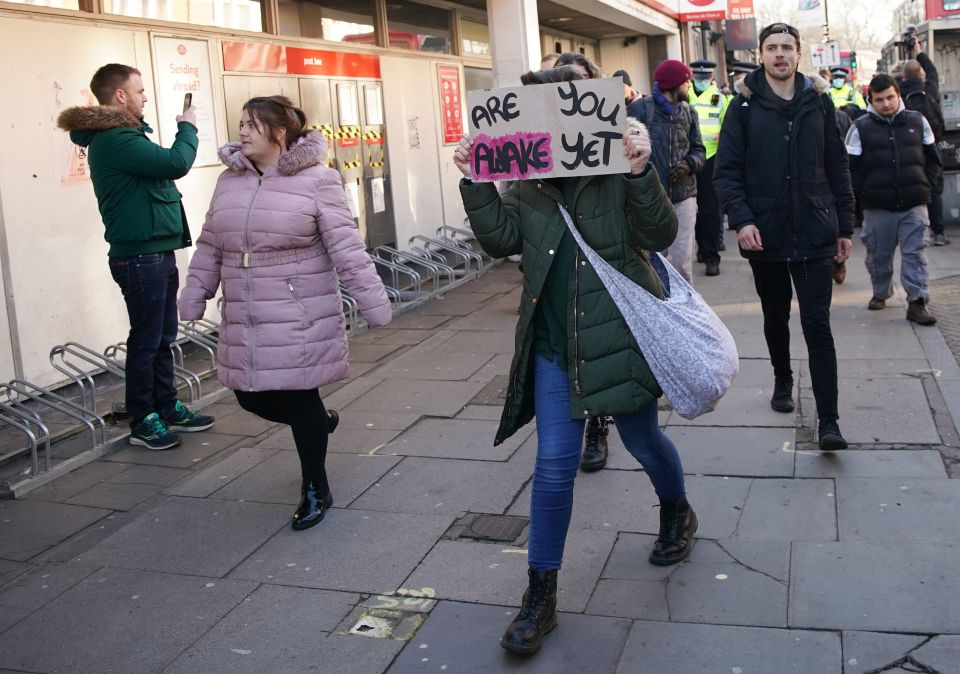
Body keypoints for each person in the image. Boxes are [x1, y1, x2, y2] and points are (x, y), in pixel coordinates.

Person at [454, 63, 695, 657]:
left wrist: (640, 172)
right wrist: (474, 182)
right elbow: (503, 240)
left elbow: (660, 233)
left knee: (643, 443)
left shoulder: (616, 162)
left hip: (618, 338)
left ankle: (677, 511)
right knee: (555, 464)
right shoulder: (526, 180)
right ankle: (541, 593)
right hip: (554, 344)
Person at [178, 96, 391, 530]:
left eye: (252, 125)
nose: (242, 132)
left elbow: (346, 247)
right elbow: (211, 244)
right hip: (246, 310)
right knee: (247, 394)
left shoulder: (318, 180)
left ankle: (315, 486)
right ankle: (318, 421)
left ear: (279, 133)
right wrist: (195, 293)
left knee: (297, 394)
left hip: (300, 309)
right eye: (240, 123)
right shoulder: (229, 181)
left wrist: (373, 302)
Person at [57, 63, 214, 451]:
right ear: (120, 96)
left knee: (162, 337)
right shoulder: (116, 139)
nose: (145, 97)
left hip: (155, 251)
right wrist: (187, 125)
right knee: (147, 340)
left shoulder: (125, 136)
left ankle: (166, 406)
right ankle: (143, 419)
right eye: (140, 91)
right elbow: (175, 163)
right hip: (139, 257)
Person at [714, 23, 855, 452]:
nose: (779, 55)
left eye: (787, 48)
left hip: (814, 230)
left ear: (798, 55)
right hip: (767, 235)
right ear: (760, 55)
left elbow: (838, 166)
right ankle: (782, 377)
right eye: (771, 48)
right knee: (775, 316)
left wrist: (845, 226)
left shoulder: (820, 104)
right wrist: (743, 221)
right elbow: (727, 173)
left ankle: (828, 421)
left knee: (818, 326)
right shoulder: (742, 107)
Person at [845, 74, 941, 325]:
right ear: (871, 100)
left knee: (915, 254)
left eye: (890, 97)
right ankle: (881, 291)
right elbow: (850, 168)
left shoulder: (917, 121)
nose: (886, 104)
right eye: (879, 99)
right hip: (877, 206)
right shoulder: (860, 128)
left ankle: (917, 302)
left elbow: (933, 157)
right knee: (878, 255)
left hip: (914, 203)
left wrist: (926, 186)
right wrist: (863, 195)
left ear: (898, 95)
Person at [628, 59, 705, 284]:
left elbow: (699, 149)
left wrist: (689, 164)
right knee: (654, 261)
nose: (689, 86)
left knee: (682, 262)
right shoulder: (640, 109)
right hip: (651, 198)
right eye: (686, 81)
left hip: (684, 196)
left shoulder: (690, 112)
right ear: (674, 84)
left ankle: (686, 311)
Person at [901, 40, 949, 246]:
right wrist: (919, 53)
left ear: (904, 76)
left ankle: (919, 232)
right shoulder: (930, 88)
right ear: (920, 74)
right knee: (935, 190)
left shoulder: (900, 91)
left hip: (910, 148)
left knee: (913, 189)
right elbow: (932, 69)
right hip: (932, 145)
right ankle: (938, 233)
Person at [688, 60, 729, 276]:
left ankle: (712, 256)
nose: (702, 80)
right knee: (691, 209)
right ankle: (702, 250)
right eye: (698, 77)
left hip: (712, 157)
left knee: (710, 209)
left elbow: (728, 129)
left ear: (712, 78)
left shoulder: (720, 99)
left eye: (705, 77)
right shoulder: (684, 95)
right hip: (688, 158)